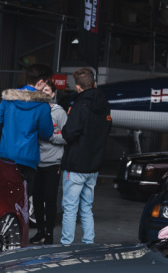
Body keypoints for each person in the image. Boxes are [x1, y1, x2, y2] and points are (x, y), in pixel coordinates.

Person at [59, 66, 112, 245]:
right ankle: (88, 243)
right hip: (93, 165)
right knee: (86, 208)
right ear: (94, 83)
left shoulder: (79, 106)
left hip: (75, 165)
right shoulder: (104, 106)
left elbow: (68, 134)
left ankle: (66, 245)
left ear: (78, 87)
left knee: (70, 208)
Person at [0, 64, 54, 193]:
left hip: (6, 157)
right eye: (46, 82)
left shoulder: (9, 100)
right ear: (40, 82)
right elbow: (46, 134)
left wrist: (8, 127)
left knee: (6, 197)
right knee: (24, 198)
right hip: (28, 160)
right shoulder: (42, 106)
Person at [32, 83, 67, 244]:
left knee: (50, 199)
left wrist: (50, 136)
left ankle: (49, 234)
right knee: (37, 199)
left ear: (53, 94)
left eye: (46, 90)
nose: (43, 93)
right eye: (41, 90)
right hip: (36, 162)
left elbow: (67, 137)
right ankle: (40, 231)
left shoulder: (59, 113)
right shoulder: (36, 110)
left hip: (53, 163)